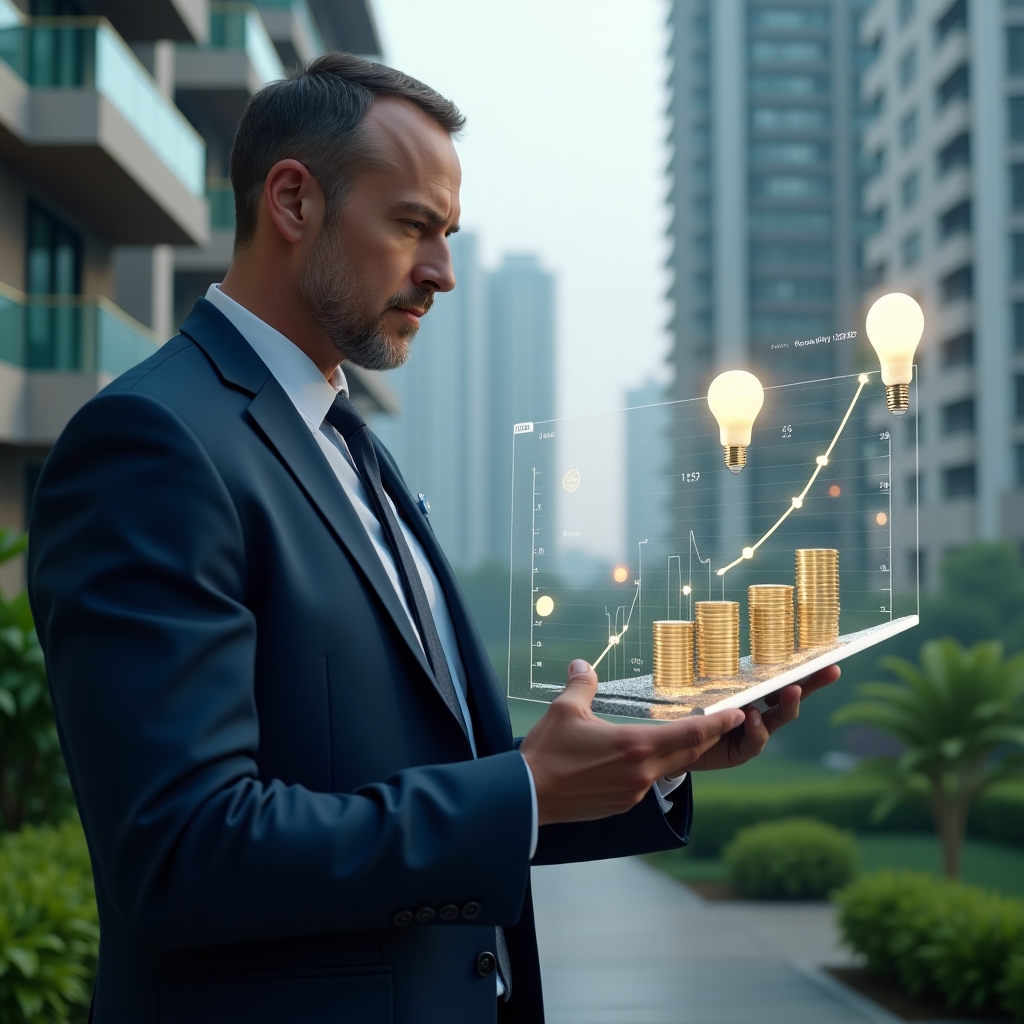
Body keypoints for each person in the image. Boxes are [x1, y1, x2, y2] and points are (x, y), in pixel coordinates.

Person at [27, 54, 838, 1024]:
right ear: (293, 200)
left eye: (447, 235)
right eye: (413, 225)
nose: (442, 273)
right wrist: (523, 793)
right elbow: (183, 850)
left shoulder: (351, 447)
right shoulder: (152, 443)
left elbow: (433, 780)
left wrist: (647, 756)